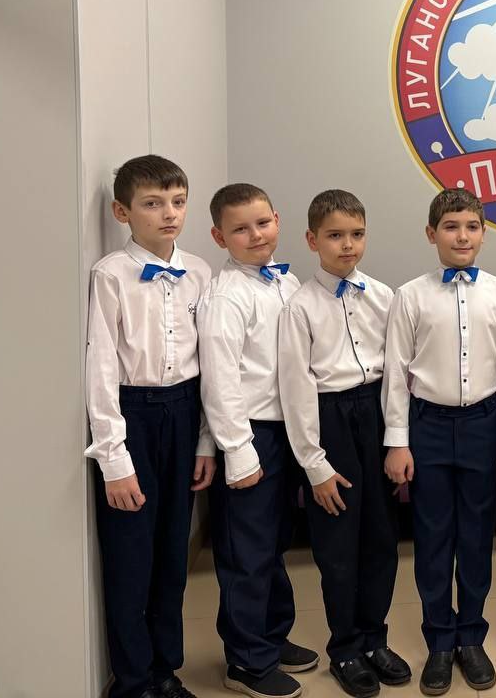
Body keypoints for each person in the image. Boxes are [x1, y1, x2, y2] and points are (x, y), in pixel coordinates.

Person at [84, 154, 216, 698]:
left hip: (184, 413)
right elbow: (101, 366)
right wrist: (113, 458)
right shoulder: (110, 274)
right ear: (123, 211)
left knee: (172, 551)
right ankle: (134, 681)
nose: (169, 214)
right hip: (132, 415)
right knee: (131, 555)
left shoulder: (200, 272)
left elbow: (209, 364)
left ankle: (165, 670)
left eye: (178, 202)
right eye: (153, 203)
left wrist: (205, 440)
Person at [383, 189, 496, 696]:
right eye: (450, 226)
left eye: (471, 226)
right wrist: (398, 442)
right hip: (429, 426)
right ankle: (440, 640)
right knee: (434, 536)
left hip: (484, 424)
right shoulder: (410, 296)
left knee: (477, 536)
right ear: (431, 233)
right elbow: (395, 373)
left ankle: (471, 637)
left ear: (483, 233)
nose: (462, 236)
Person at [278, 190, 410, 697]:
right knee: (338, 546)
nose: (347, 245)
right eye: (335, 235)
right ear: (312, 240)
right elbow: (295, 389)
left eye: (356, 234)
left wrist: (396, 439)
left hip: (374, 414)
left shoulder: (383, 295)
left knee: (381, 539)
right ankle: (346, 648)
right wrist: (315, 464)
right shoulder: (300, 306)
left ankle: (375, 639)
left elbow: (396, 374)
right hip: (329, 420)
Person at [199, 183, 318, 698]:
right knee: (246, 550)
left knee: (274, 543)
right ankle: (246, 661)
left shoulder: (285, 282)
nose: (255, 235)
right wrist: (236, 449)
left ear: (278, 220)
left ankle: (271, 635)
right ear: (218, 236)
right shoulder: (226, 296)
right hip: (251, 434)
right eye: (240, 229)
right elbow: (220, 379)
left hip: (288, 430)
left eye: (262, 223)